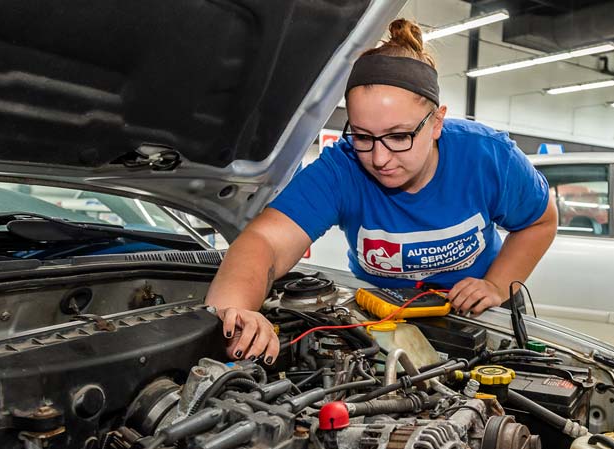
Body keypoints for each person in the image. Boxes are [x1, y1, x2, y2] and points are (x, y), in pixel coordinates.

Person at [206, 19, 558, 362]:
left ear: (436, 123)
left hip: (477, 319)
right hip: (381, 320)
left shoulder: (487, 157)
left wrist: (496, 285)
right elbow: (264, 242)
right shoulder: (342, 169)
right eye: (362, 136)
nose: (378, 157)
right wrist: (237, 310)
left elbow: (539, 222)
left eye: (399, 136)